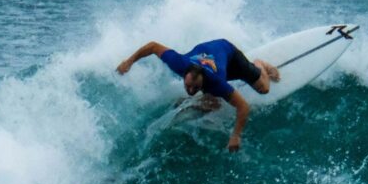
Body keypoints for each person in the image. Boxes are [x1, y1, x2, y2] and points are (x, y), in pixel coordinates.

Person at [117, 39, 280, 151]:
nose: (190, 90)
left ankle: (260, 64)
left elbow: (243, 107)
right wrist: (129, 61)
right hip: (212, 56)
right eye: (188, 86)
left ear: (203, 81)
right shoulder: (179, 63)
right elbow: (153, 46)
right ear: (184, 74)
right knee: (209, 102)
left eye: (195, 88)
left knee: (263, 89)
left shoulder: (216, 83)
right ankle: (200, 98)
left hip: (228, 52)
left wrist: (236, 135)